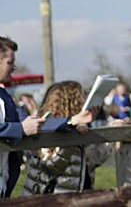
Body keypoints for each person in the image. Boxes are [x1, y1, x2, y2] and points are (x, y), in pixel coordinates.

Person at [0, 36, 94, 197]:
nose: (14, 67)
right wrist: (19, 129)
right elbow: (22, 127)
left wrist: (71, 121)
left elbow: (33, 123)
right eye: (10, 62)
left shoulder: (5, 97)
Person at [21, 81, 108, 195]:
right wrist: (71, 138)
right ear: (72, 102)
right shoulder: (47, 126)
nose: (84, 101)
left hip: (78, 194)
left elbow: (93, 160)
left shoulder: (81, 128)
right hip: (53, 198)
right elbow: (50, 168)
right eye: (81, 97)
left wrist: (112, 133)